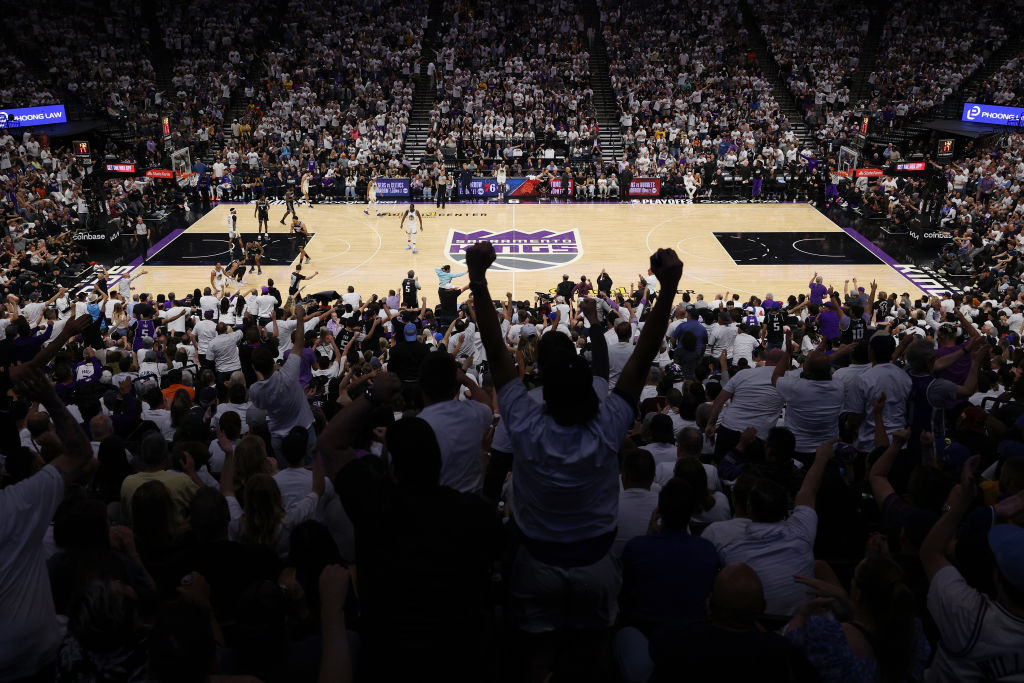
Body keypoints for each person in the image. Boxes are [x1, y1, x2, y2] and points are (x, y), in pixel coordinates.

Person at [463, 239, 683, 679]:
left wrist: (480, 280)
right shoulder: (610, 420)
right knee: (595, 655)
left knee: (539, 659)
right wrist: (668, 286)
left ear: (542, 385)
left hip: (536, 561)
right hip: (596, 564)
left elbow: (493, 344)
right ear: (588, 386)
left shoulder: (523, 418)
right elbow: (643, 356)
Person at [0, 369, 94, 681]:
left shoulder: (17, 504)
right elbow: (81, 455)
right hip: (38, 662)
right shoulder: (16, 507)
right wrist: (49, 398)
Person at [249, 303, 317, 459]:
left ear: (255, 368)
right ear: (273, 363)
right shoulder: (289, 372)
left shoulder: (255, 390)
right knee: (310, 469)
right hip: (304, 429)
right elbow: (299, 343)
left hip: (279, 435)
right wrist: (300, 318)